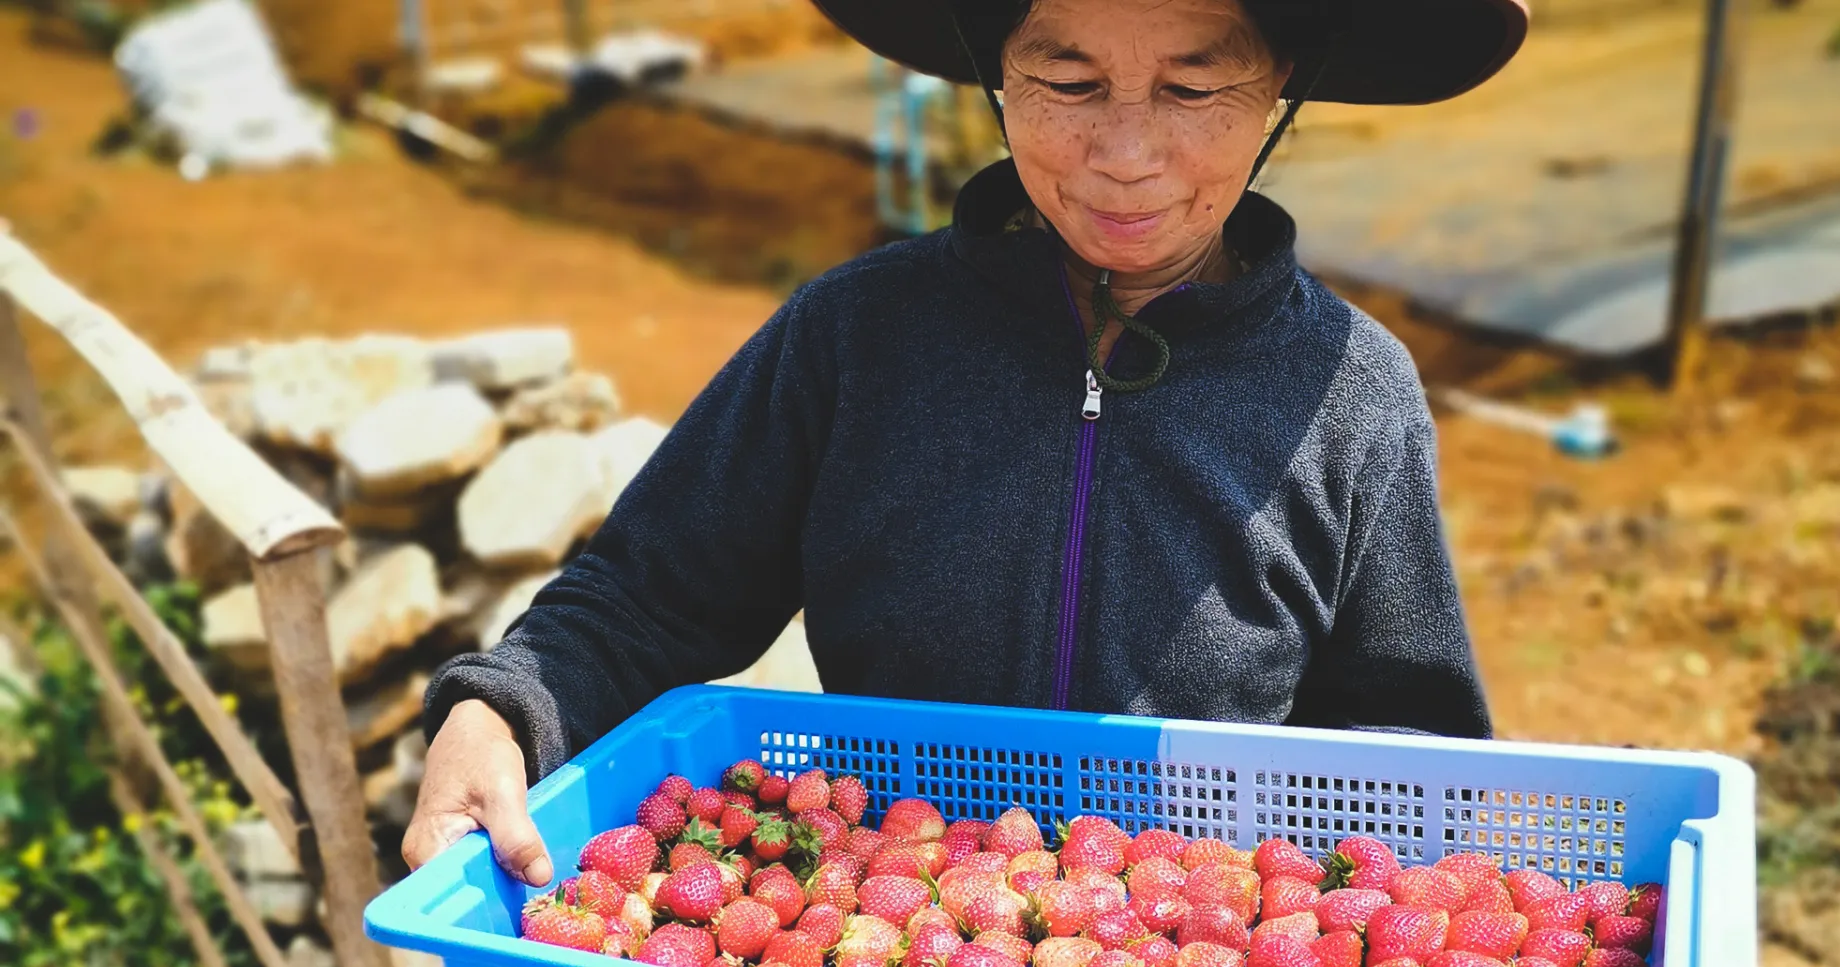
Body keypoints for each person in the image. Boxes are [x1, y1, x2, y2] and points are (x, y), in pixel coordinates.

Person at [401, 0, 1530, 887]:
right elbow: (648, 593)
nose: (1125, 151)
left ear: (1280, 84)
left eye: (1194, 83)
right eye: (1067, 80)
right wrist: (496, 711)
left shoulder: (1352, 392)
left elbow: (1405, 761)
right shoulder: (857, 336)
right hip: (873, 937)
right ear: (999, 76)